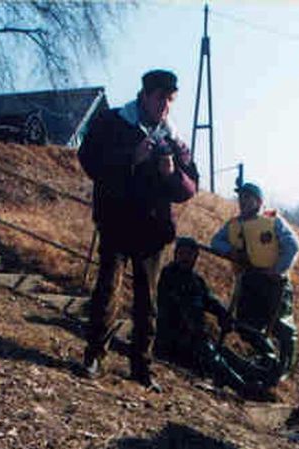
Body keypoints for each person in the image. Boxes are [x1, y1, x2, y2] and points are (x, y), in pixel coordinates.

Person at [77, 69, 200, 391]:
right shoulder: (112, 121)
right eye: (161, 98)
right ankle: (94, 357)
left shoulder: (173, 138)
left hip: (153, 231)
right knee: (107, 291)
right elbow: (88, 159)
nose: (166, 106)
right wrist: (131, 157)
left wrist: (171, 174)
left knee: (148, 303)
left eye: (170, 100)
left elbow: (189, 189)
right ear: (144, 95)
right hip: (116, 221)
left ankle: (142, 368)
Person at [207, 182, 299, 385]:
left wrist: (277, 270)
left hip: (275, 282)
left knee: (282, 327)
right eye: (241, 198)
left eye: (248, 198)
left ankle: (283, 371)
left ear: (258, 201)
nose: (243, 202)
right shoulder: (233, 225)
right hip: (249, 280)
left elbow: (293, 245)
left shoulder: (273, 221)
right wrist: (230, 251)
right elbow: (216, 242)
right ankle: (266, 361)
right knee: (247, 325)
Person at [155, 238, 265, 395]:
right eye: (181, 253)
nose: (185, 258)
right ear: (175, 254)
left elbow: (210, 301)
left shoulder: (196, 280)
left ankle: (259, 377)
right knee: (210, 354)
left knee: (223, 353)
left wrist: (224, 316)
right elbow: (184, 309)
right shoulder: (169, 275)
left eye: (190, 254)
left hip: (193, 339)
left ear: (196, 257)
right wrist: (198, 333)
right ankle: (243, 388)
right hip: (172, 340)